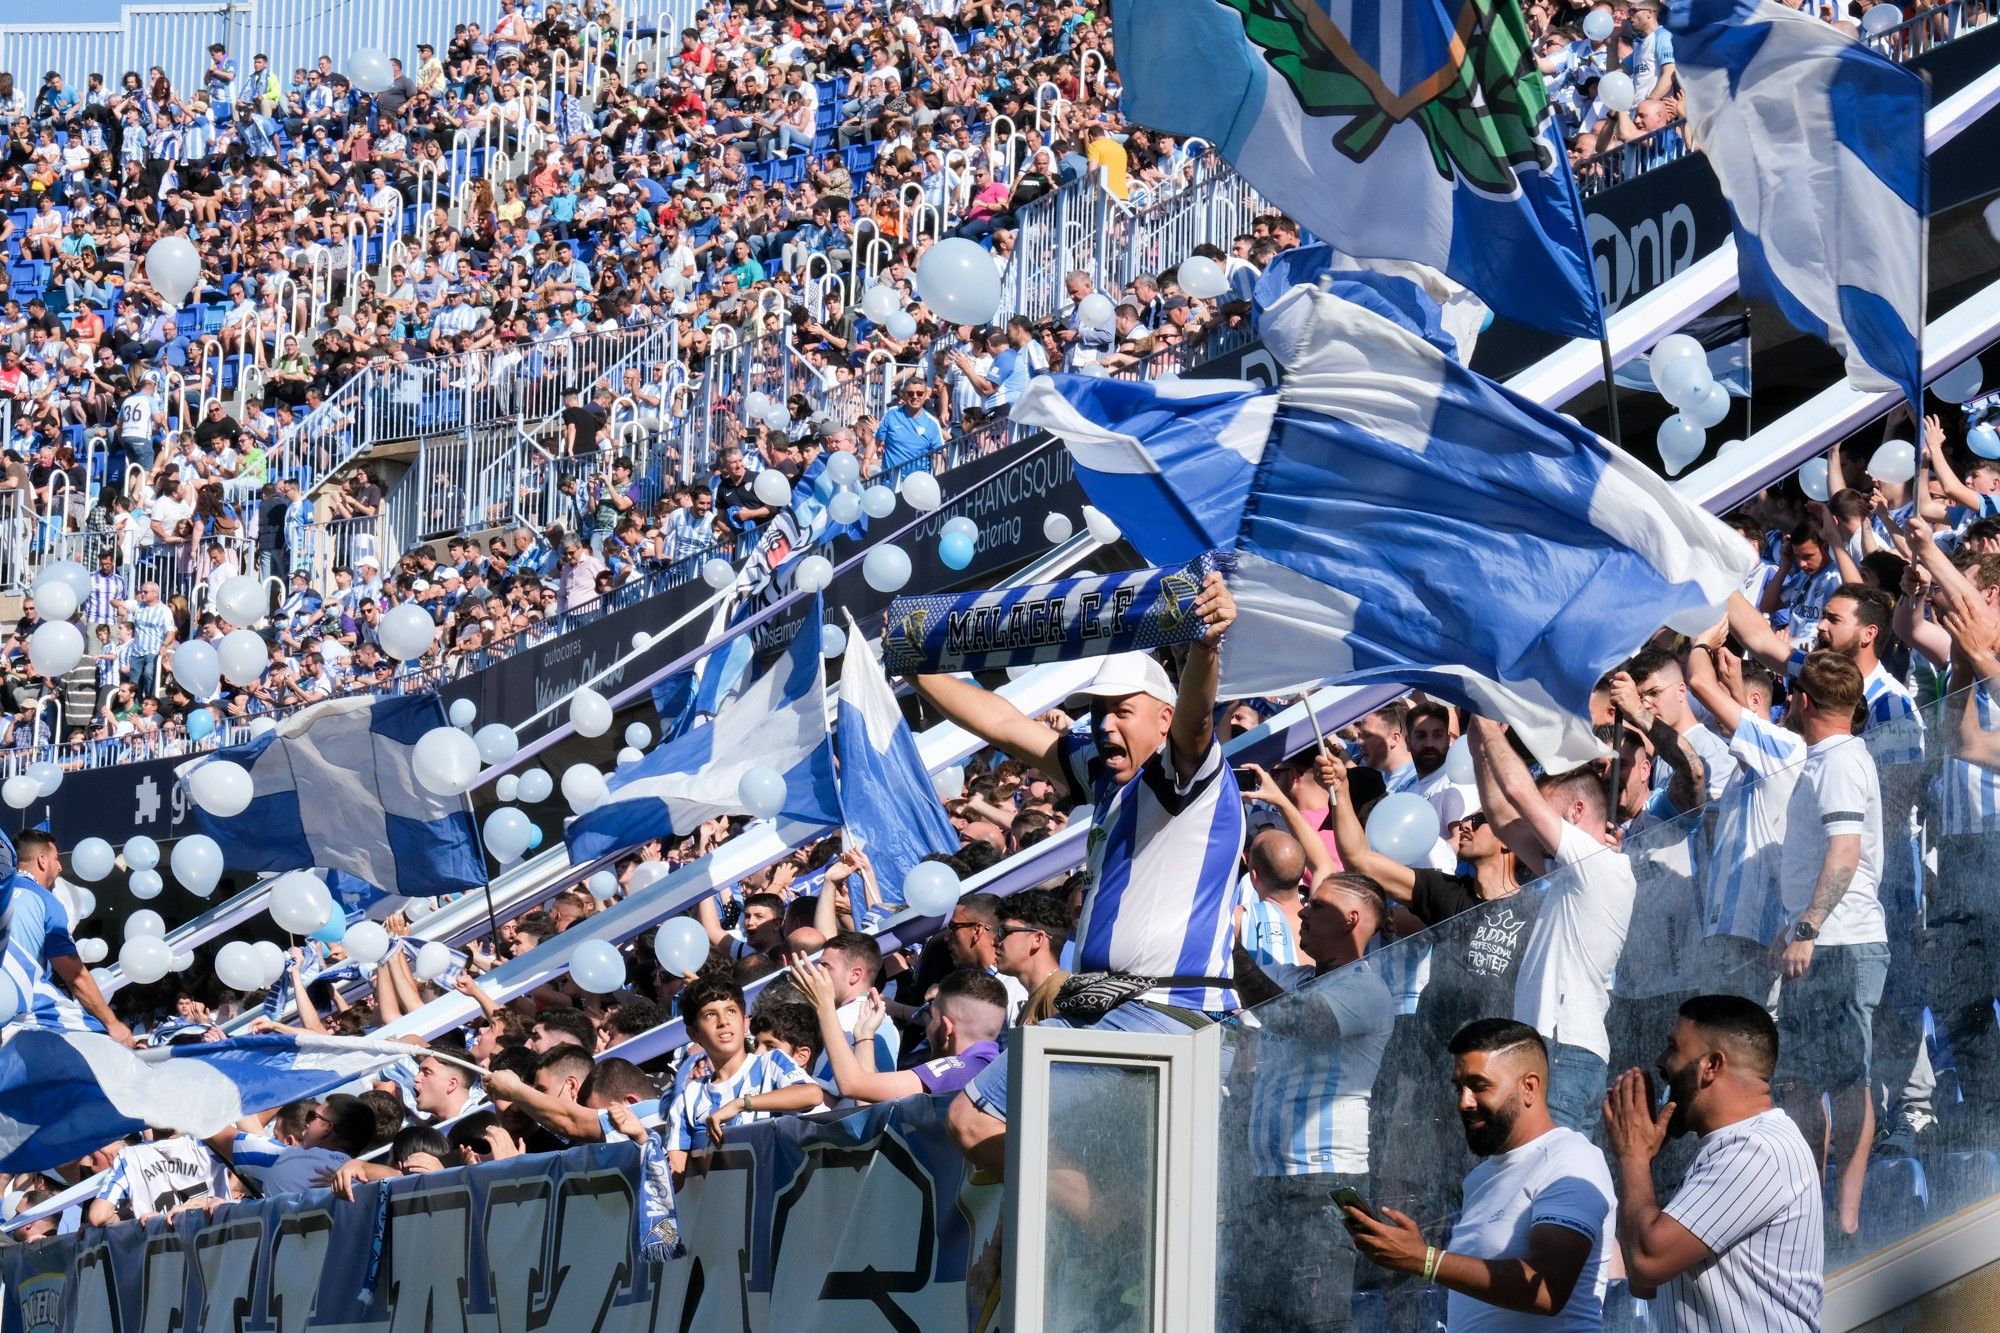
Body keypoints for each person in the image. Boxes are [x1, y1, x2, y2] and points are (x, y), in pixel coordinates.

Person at [922, 575, 1241, 1174]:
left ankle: (1091, 1221)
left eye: (1123, 711)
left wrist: (1206, 647)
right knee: (1103, 1164)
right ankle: (1096, 1225)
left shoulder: (1188, 775)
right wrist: (918, 666)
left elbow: (1197, 720)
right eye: (1097, 712)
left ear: (1162, 717)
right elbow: (1007, 726)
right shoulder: (1103, 775)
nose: (1105, 726)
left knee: (974, 1119)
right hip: (1115, 1012)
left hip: (1166, 1013)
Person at [1346, 1018, 1615, 1329]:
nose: (1464, 1102)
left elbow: (1545, 1289)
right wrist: (1408, 1254)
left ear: (1529, 1087)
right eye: (1459, 1087)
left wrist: (1425, 1260)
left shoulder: (1571, 1158)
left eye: (1479, 1086)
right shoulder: (1480, 1178)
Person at [1231, 872, 1396, 1333]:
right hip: (1269, 1177)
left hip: (1322, 1182)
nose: (1302, 910)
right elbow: (1253, 989)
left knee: (1315, 1321)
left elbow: (1295, 1019)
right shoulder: (1294, 977)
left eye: (1317, 905)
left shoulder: (1366, 989)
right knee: (1261, 1320)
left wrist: (1230, 945)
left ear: (1352, 919)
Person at [1602, 994, 1824, 1331]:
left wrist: (1633, 1156)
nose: (1662, 1062)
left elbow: (1647, 1262)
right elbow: (1642, 1281)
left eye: (1673, 1048)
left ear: (1711, 1066)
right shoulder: (1729, 1147)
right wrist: (1640, 1159)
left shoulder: (1758, 1151)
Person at [1469, 716, 1637, 1139]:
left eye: (1547, 815)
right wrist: (1478, 744)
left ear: (1578, 812)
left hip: (1565, 1050)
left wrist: (1492, 728)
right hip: (1553, 1049)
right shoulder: (1571, 871)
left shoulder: (1600, 864)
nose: (1536, 827)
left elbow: (1518, 793)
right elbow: (1504, 818)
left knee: (1551, 1176)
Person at [1769, 650, 1886, 1237]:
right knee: (1803, 1081)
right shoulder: (1826, 759)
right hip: (1818, 939)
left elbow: (1845, 853)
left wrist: (1809, 928)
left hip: (1841, 942)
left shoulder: (1839, 762)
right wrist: (1792, 926)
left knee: (1845, 1080)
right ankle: (1814, 1212)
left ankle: (1844, 1221)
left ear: (1804, 701)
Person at [662, 974, 824, 1177]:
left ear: (745, 1022)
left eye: (731, 1011)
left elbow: (812, 1094)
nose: (723, 1022)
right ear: (693, 1034)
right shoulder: (689, 1096)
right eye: (710, 1015)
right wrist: (643, 1139)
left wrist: (742, 1103)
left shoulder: (771, 1063)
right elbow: (676, 1177)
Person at [792, 962, 1007, 1103]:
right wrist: (865, 1036)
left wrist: (824, 1008)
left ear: (946, 1028)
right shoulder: (988, 1067)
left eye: (929, 1015)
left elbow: (851, 1084)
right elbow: (867, 1103)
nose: (926, 1024)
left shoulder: (959, 1069)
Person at [4, 829, 130, 1041]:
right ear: (42, 861)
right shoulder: (45, 900)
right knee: (97, 1040)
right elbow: (76, 976)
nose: (61, 867)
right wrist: (113, 1024)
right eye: (57, 859)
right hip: (21, 1008)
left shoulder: (3, 892)